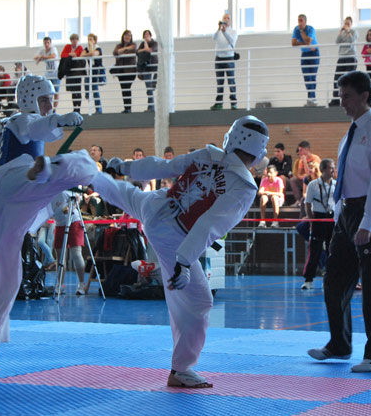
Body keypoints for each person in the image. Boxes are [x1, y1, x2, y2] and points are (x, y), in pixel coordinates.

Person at [91, 115, 269, 388]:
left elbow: (163, 166)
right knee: (200, 302)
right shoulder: (244, 186)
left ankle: (80, 170)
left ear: (231, 137)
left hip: (154, 205)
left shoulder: (210, 154)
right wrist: (184, 261)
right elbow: (210, 224)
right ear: (259, 152)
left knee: (118, 191)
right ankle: (182, 370)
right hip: (172, 236)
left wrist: (125, 166)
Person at [0, 74, 89, 373]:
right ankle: (47, 184)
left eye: (51, 100)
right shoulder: (18, 120)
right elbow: (35, 127)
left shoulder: (28, 126)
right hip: (10, 186)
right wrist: (59, 119)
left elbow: (45, 131)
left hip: (14, 205)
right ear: (28, 99)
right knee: (63, 169)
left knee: (8, 275)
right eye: (44, 100)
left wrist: (56, 121)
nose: (49, 105)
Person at [307, 70, 371, 373]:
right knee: (334, 279)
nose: (342, 101)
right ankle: (340, 343)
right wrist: (339, 215)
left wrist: (368, 222)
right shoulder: (350, 133)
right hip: (346, 212)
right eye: (340, 95)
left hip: (370, 211)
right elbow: (345, 178)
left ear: (364, 96)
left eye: (346, 96)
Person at [301, 158, 336, 290]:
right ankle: (308, 280)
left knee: (332, 250)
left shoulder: (336, 184)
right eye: (330, 168)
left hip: (332, 218)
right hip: (318, 218)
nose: (333, 170)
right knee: (315, 250)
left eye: (333, 168)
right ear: (323, 169)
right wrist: (312, 221)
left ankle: (330, 278)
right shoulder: (313, 185)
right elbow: (307, 204)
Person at [51, 189, 87, 296]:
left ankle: (81, 284)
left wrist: (72, 207)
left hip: (73, 221)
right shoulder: (46, 189)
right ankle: (60, 284)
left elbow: (78, 197)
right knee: (60, 256)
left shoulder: (67, 186)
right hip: (59, 223)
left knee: (76, 253)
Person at [292, 14, 320, 107]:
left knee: (312, 77)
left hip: (314, 53)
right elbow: (293, 43)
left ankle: (312, 99)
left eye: (301, 20)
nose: (299, 23)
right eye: (298, 20)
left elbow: (308, 41)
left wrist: (302, 32)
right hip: (305, 54)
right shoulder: (296, 29)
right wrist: (305, 43)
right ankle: (312, 99)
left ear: (305, 21)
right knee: (307, 77)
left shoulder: (310, 29)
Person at [211, 13, 238, 110]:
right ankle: (219, 103)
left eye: (228, 18)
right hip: (219, 58)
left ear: (230, 20)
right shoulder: (218, 32)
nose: (226, 20)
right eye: (224, 18)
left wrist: (225, 31)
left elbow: (232, 41)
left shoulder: (233, 31)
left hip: (229, 58)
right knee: (219, 81)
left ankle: (233, 103)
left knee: (231, 81)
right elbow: (213, 38)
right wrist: (219, 29)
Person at [331, 17, 358, 106]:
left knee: (350, 79)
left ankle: (351, 98)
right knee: (337, 78)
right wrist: (340, 31)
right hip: (342, 57)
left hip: (351, 56)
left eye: (348, 24)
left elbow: (351, 41)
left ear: (351, 24)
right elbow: (337, 41)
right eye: (345, 23)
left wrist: (348, 31)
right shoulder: (342, 33)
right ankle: (335, 99)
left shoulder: (354, 32)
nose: (346, 25)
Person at [290, 140, 321, 212]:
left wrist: (305, 162)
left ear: (306, 149)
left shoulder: (315, 158)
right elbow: (298, 174)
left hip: (315, 180)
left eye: (301, 150)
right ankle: (298, 200)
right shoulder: (301, 160)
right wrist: (304, 176)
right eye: (299, 150)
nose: (299, 152)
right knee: (293, 180)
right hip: (305, 180)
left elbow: (311, 172)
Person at [113, 30, 137, 113]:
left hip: (130, 71)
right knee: (123, 88)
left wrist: (123, 50)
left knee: (127, 87)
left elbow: (133, 49)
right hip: (121, 71)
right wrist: (125, 50)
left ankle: (128, 108)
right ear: (123, 36)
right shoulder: (118, 45)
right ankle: (126, 108)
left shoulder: (133, 44)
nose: (127, 37)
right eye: (126, 35)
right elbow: (115, 52)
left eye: (129, 35)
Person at [60, 33, 85, 113]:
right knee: (73, 90)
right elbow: (62, 55)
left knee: (78, 90)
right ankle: (74, 108)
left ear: (77, 40)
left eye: (76, 39)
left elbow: (77, 55)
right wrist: (70, 54)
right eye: (73, 39)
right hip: (70, 71)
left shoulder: (80, 47)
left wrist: (69, 55)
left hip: (77, 71)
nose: (74, 41)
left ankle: (78, 108)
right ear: (71, 40)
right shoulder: (67, 46)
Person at [33, 36, 60, 108]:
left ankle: (54, 109)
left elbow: (53, 56)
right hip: (48, 74)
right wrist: (41, 56)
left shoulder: (53, 49)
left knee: (56, 92)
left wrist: (42, 57)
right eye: (45, 43)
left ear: (50, 43)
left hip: (56, 73)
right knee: (47, 92)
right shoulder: (42, 50)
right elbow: (35, 57)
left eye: (48, 43)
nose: (46, 44)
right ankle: (49, 108)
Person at [137, 29, 158, 113]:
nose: (146, 36)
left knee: (157, 75)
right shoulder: (142, 44)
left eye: (148, 34)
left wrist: (145, 47)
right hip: (146, 66)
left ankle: (154, 83)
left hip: (154, 64)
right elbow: (137, 52)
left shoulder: (154, 43)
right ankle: (151, 107)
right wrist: (145, 44)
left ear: (150, 35)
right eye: (145, 35)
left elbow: (150, 50)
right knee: (148, 88)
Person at [83, 33, 104, 114]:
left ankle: (99, 109)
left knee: (95, 90)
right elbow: (82, 55)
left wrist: (91, 48)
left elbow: (93, 54)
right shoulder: (87, 48)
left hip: (96, 71)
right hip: (90, 71)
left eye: (91, 39)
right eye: (88, 39)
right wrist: (89, 52)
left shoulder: (98, 48)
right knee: (86, 80)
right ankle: (87, 95)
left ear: (95, 41)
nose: (89, 41)